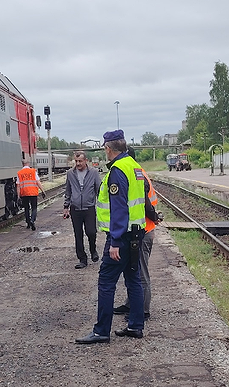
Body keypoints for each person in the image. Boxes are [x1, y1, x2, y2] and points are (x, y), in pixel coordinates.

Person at [76, 130, 146, 344]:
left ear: (108, 148)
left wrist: (114, 241)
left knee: (106, 282)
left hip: (121, 236)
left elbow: (119, 208)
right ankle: (135, 325)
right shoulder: (135, 166)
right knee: (133, 279)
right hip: (136, 233)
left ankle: (101, 331)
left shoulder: (117, 171)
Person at [113, 147, 161, 320]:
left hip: (144, 230)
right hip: (141, 230)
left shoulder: (138, 176)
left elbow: (146, 205)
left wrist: (154, 217)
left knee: (141, 273)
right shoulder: (137, 173)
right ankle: (130, 304)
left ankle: (143, 310)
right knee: (133, 271)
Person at [63, 151, 102, 269]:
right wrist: (66, 207)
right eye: (76, 161)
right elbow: (68, 191)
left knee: (91, 231)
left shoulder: (94, 173)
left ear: (86, 161)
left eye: (80, 161)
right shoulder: (70, 173)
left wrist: (101, 205)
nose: (78, 163)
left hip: (89, 207)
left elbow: (98, 189)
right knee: (78, 235)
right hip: (75, 209)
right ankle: (82, 259)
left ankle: (93, 250)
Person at [17, 159, 45, 230]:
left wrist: (18, 195)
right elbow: (38, 182)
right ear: (28, 163)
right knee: (34, 208)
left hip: (24, 193)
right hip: (33, 193)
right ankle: (32, 220)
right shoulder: (33, 171)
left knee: (26, 208)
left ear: (22, 164)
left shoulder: (19, 173)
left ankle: (28, 223)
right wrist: (43, 191)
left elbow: (18, 185)